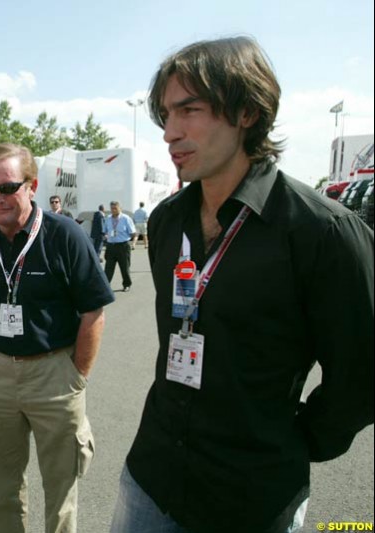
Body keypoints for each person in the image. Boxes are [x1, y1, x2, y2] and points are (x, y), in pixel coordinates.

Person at [111, 36, 374, 533]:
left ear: (248, 111)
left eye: (188, 109)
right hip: (152, 476)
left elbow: (362, 374)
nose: (169, 132)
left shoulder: (322, 231)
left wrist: (297, 440)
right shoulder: (169, 221)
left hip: (252, 496)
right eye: (165, 115)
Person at [0, 143, 114, 533]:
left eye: (7, 187)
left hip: (54, 375)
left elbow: (94, 310)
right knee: (4, 488)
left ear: (32, 186)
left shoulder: (65, 235)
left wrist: (75, 376)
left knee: (60, 489)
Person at [104, 200, 136, 292]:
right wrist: (106, 235)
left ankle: (127, 284)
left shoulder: (126, 218)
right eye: (112, 208)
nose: (113, 210)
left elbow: (133, 232)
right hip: (111, 246)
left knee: (124, 267)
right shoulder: (108, 218)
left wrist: (125, 238)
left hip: (123, 246)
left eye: (115, 208)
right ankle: (106, 286)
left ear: (120, 208)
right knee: (108, 268)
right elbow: (106, 230)